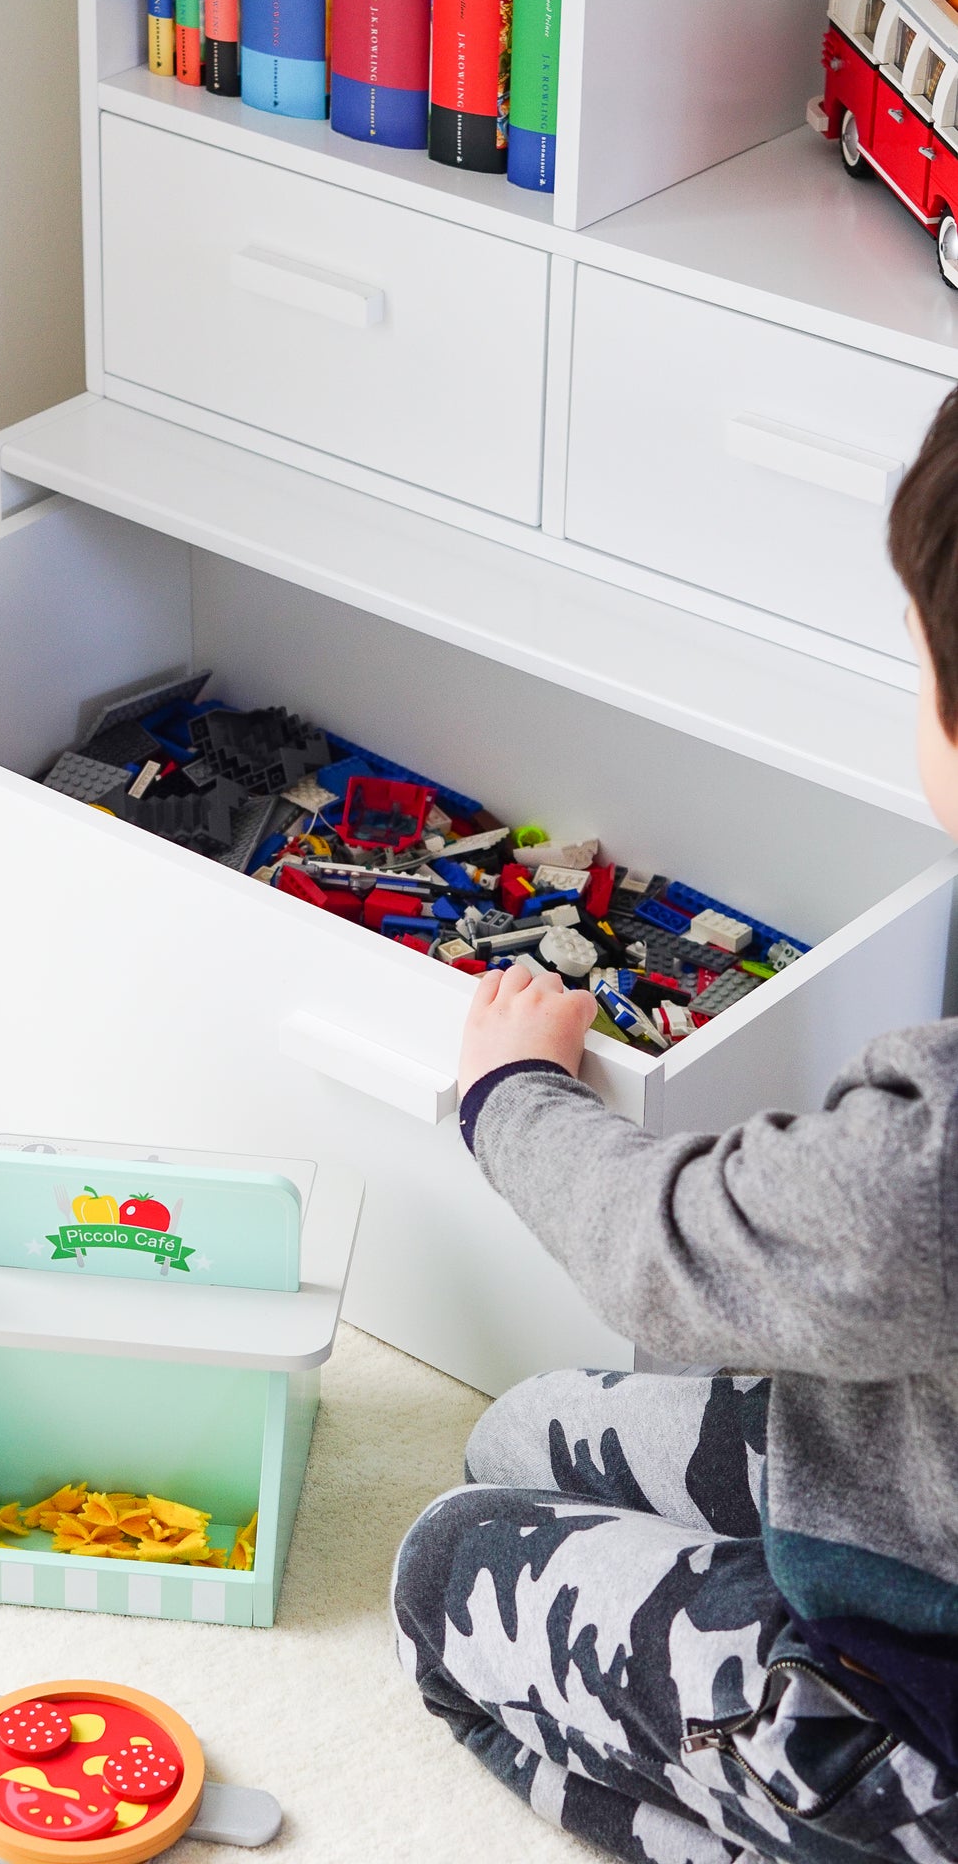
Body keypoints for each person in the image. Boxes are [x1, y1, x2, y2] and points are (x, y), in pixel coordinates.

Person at [392, 388, 958, 1864]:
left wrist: (508, 1095)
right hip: (908, 1473)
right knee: (512, 1431)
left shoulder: (929, 1164)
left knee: (442, 1569)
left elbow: (667, 1252)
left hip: (921, 1704)